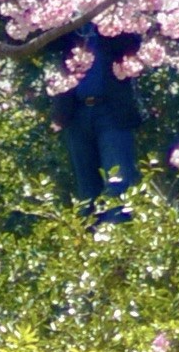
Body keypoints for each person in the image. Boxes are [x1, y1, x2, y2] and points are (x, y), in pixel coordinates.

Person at [50, 22, 143, 219]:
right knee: (86, 190)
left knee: (117, 181)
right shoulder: (70, 24)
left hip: (111, 111)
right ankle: (89, 242)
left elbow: (135, 44)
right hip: (75, 112)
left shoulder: (116, 18)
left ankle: (116, 240)